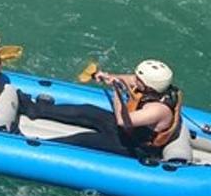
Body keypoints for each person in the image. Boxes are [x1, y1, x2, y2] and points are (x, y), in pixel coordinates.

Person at [20, 59, 184, 158]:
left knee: (82, 139)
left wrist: (117, 94)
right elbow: (129, 80)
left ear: (150, 86)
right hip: (130, 132)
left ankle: (36, 146)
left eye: (139, 79)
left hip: (135, 145)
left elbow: (123, 121)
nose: (135, 80)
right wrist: (109, 77)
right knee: (86, 111)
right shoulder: (155, 87)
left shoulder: (157, 110)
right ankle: (35, 109)